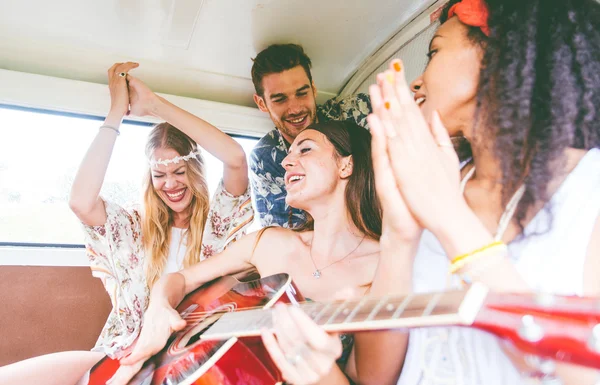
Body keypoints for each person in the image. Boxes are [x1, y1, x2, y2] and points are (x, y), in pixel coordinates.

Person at [361, 0, 600, 384]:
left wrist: (450, 221)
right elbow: (374, 377)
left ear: (498, 56)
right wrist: (398, 238)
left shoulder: (591, 189)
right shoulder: (434, 181)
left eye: (433, 51)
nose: (416, 82)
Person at [107, 119, 382, 385]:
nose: (286, 162)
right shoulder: (268, 242)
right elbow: (182, 279)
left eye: (305, 149)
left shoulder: (384, 265)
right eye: (288, 154)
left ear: (347, 164)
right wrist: (158, 309)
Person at [68, 62, 255, 358]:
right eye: (159, 175)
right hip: (132, 348)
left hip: (194, 350)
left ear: (194, 169)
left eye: (179, 172)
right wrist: (116, 111)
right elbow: (80, 202)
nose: (170, 184)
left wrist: (154, 105)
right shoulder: (133, 228)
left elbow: (235, 158)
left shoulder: (219, 222)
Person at [249, 43, 372, 228]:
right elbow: (287, 234)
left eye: (302, 93)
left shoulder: (356, 111)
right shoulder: (266, 159)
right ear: (261, 103)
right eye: (280, 99)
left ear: (313, 89)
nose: (296, 108)